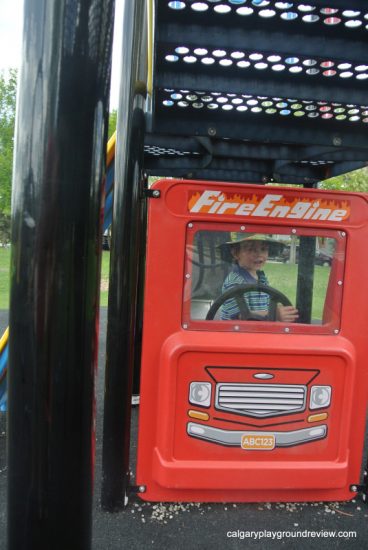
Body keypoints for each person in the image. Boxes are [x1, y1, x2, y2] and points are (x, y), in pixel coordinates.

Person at [219, 233, 299, 322]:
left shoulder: (261, 278)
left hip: (257, 329)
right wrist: (275, 314)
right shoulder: (234, 282)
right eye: (251, 249)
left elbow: (267, 306)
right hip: (235, 333)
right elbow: (241, 315)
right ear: (235, 253)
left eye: (263, 249)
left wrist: (279, 309)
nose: (258, 254)